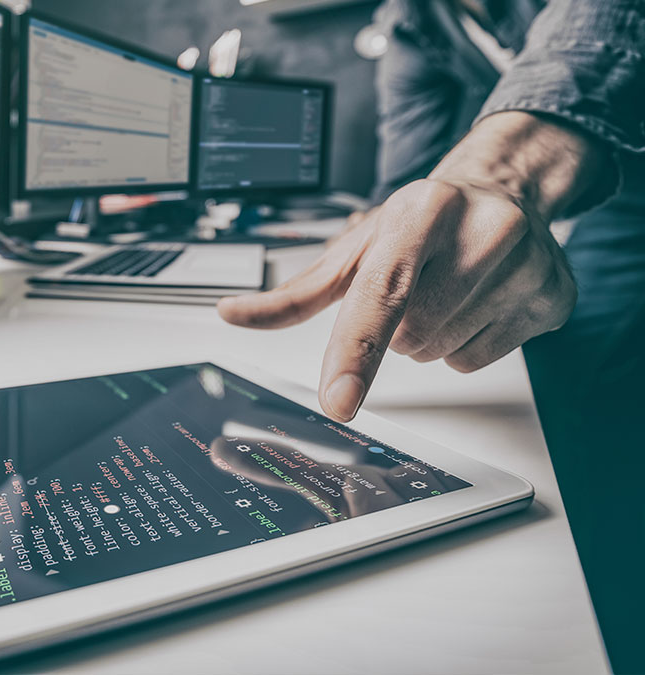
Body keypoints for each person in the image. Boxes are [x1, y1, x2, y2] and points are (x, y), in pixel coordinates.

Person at [216, 1, 644, 671]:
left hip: (629, 192)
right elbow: (403, 177)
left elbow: (599, 27)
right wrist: (373, 232)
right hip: (593, 194)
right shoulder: (413, 23)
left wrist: (497, 175)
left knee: (590, 368)